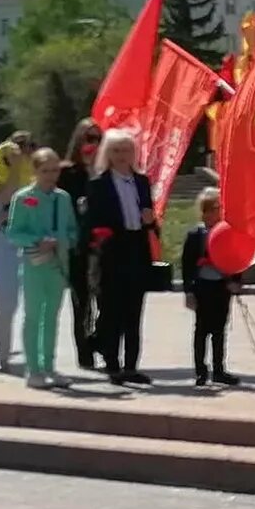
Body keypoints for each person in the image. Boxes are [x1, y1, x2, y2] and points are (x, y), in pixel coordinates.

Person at [81, 128, 160, 385]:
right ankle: (112, 364)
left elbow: (150, 221)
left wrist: (150, 222)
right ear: (107, 153)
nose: (121, 155)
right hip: (112, 251)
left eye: (126, 150)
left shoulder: (141, 181)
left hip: (136, 248)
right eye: (115, 150)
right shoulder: (98, 184)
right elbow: (91, 222)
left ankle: (131, 366)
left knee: (134, 313)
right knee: (112, 311)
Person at [1, 146, 79, 390]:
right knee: (33, 316)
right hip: (34, 263)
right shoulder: (23, 197)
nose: (51, 175)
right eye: (45, 170)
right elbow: (13, 233)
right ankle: (33, 369)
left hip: (57, 264)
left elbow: (72, 230)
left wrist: (61, 241)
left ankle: (49, 366)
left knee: (52, 317)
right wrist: (36, 241)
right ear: (35, 171)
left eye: (54, 170)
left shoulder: (63, 198)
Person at [181, 190, 241, 387]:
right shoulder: (195, 235)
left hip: (221, 286)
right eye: (215, 209)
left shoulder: (228, 233)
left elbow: (236, 259)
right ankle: (200, 370)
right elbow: (187, 265)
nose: (218, 213)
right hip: (202, 287)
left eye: (220, 209)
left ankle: (219, 369)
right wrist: (188, 291)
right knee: (201, 330)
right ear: (205, 212)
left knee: (219, 329)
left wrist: (235, 281)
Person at [59, 118, 104, 372]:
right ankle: (84, 352)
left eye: (98, 139)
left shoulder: (106, 172)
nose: (93, 144)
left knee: (106, 301)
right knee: (82, 301)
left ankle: (97, 340)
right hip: (78, 246)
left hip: (104, 247)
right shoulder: (67, 173)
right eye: (88, 138)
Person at [0, 138, 29, 375]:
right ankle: (3, 354)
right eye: (17, 147)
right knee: (7, 301)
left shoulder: (35, 173)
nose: (22, 151)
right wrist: (14, 171)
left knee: (32, 304)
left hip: (30, 242)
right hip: (3, 243)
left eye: (27, 146)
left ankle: (34, 354)